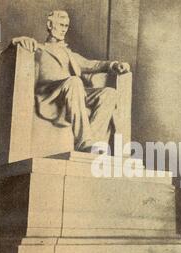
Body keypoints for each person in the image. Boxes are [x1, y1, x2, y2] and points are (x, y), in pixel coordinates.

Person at [11, 10, 130, 153]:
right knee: (74, 82)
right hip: (49, 93)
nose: (64, 29)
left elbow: (93, 64)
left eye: (66, 26)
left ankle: (92, 144)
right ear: (49, 24)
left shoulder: (70, 54)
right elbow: (5, 58)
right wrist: (16, 42)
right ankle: (84, 141)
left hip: (73, 91)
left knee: (109, 93)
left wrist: (114, 65)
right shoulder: (38, 48)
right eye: (61, 25)